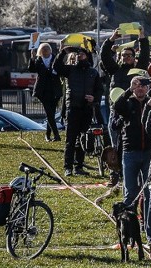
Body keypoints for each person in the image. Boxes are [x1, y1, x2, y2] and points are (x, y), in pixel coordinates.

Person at [53, 45, 103, 177]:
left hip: (86, 109)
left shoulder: (93, 72)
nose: (79, 56)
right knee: (70, 139)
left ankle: (78, 166)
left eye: (82, 54)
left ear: (87, 56)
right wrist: (63, 52)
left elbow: (99, 89)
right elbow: (56, 67)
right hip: (73, 108)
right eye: (77, 54)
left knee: (83, 138)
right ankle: (68, 167)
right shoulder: (70, 70)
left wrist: (94, 98)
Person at [113, 76, 151, 208]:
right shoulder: (128, 102)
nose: (140, 88)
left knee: (149, 191)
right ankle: (128, 222)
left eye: (143, 86)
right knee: (130, 191)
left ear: (148, 88)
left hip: (149, 151)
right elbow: (117, 106)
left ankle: (144, 222)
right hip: (130, 151)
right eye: (137, 85)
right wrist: (129, 90)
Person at [28, 43, 62, 142]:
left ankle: (48, 134)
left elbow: (60, 69)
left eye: (47, 49)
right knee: (49, 112)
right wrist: (32, 58)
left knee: (51, 113)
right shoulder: (38, 60)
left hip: (54, 90)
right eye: (43, 50)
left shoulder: (55, 59)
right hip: (43, 90)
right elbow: (32, 69)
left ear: (50, 50)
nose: (45, 51)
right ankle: (56, 135)